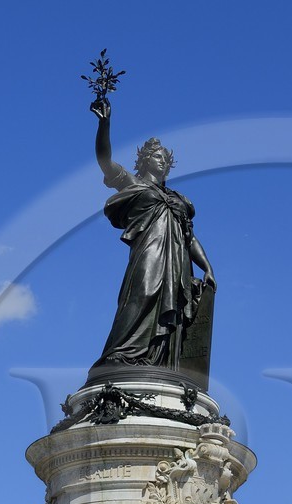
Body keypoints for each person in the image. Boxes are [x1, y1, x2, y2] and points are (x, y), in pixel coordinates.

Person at [87, 94, 216, 374]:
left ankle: (158, 362)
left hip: (177, 261)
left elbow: (190, 237)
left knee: (173, 309)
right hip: (150, 251)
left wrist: (207, 267)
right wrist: (104, 125)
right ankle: (121, 354)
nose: (162, 161)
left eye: (165, 159)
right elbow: (105, 161)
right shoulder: (133, 184)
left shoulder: (179, 199)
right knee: (142, 294)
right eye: (157, 157)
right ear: (145, 160)